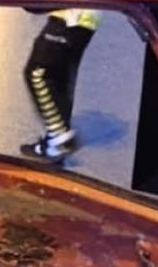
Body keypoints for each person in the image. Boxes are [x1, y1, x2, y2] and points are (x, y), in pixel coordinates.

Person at [21, 8, 101, 162]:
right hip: (83, 19)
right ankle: (54, 146)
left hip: (71, 18)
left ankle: (60, 138)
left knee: (37, 74)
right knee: (58, 79)